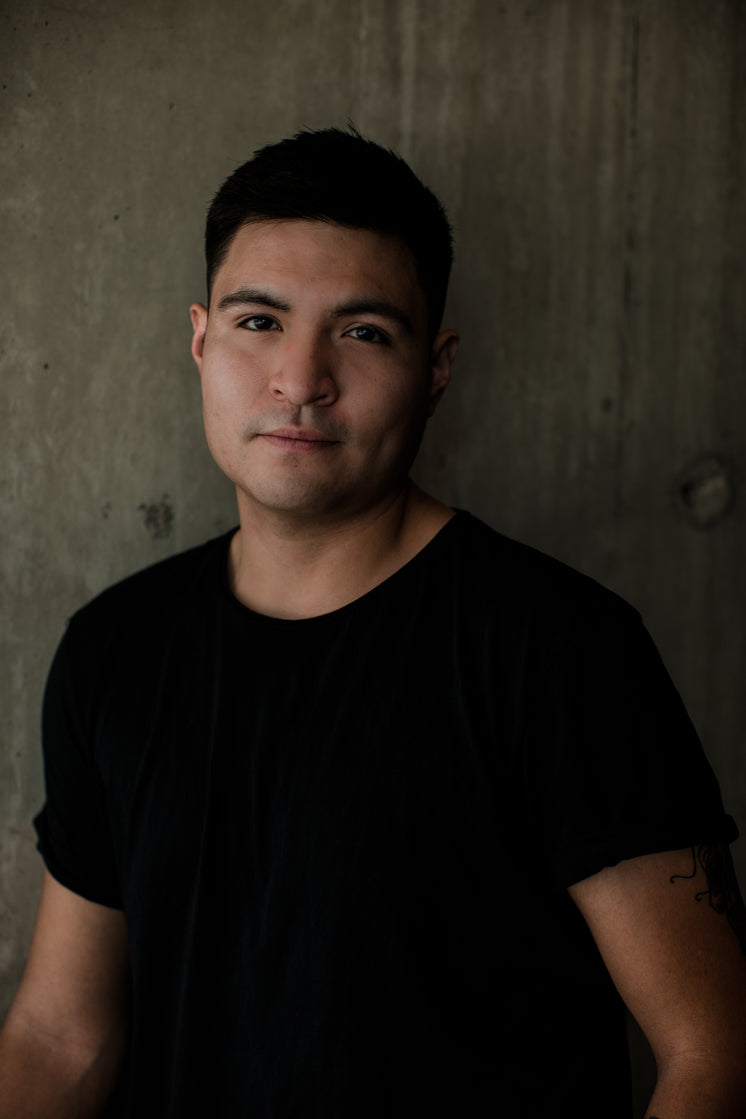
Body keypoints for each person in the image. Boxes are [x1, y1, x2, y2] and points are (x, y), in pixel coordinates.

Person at [1, 127, 745, 1119]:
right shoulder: (115, 650)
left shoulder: (558, 649)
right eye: (257, 321)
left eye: (361, 332)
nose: (300, 379)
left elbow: (713, 1051)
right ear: (198, 338)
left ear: (434, 367)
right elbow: (62, 1038)